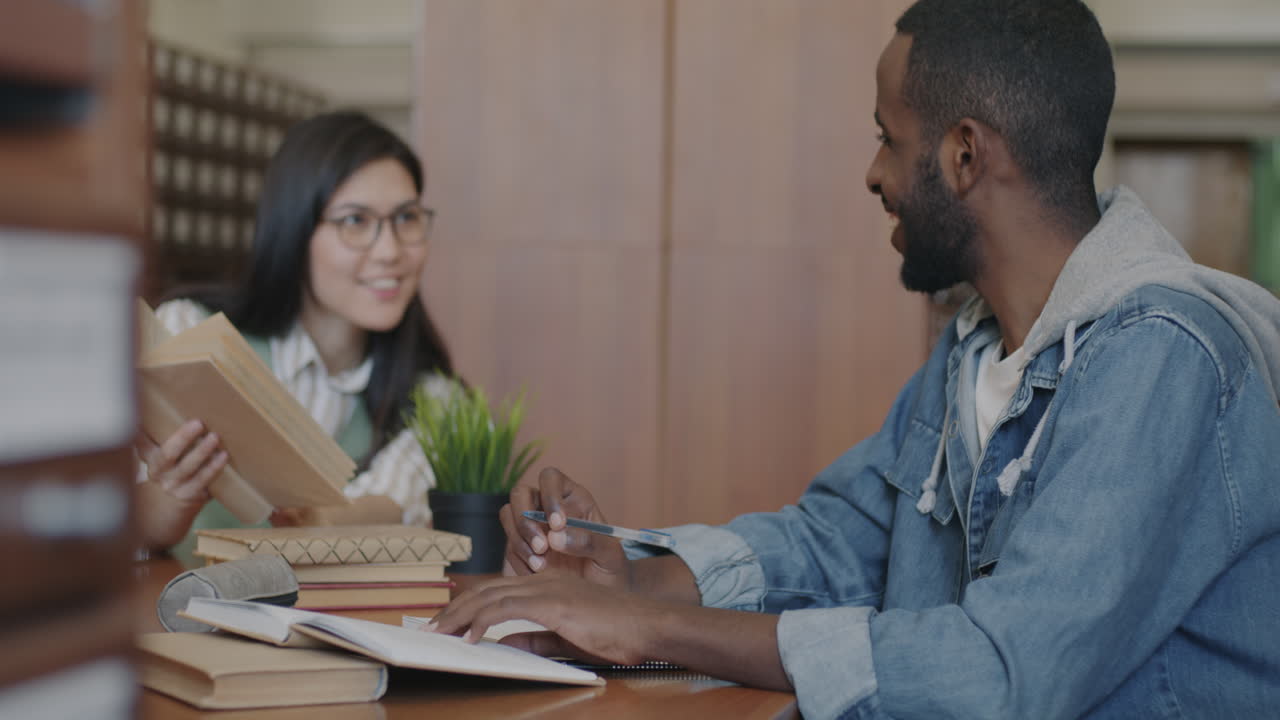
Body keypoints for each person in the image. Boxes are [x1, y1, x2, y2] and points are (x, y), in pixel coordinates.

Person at [428, 2, 1280, 718]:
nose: (874, 174)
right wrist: (629, 590)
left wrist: (646, 631)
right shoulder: (976, 354)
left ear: (965, 155)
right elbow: (839, 542)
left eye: (887, 137)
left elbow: (1003, 672)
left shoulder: (1167, 357)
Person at [137, 111, 457, 561]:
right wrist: (168, 502)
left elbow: (396, 503)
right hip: (172, 623)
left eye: (407, 218)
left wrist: (323, 519)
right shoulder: (191, 331)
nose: (390, 251)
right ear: (295, 229)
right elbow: (103, 528)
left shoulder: (433, 399)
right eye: (355, 221)